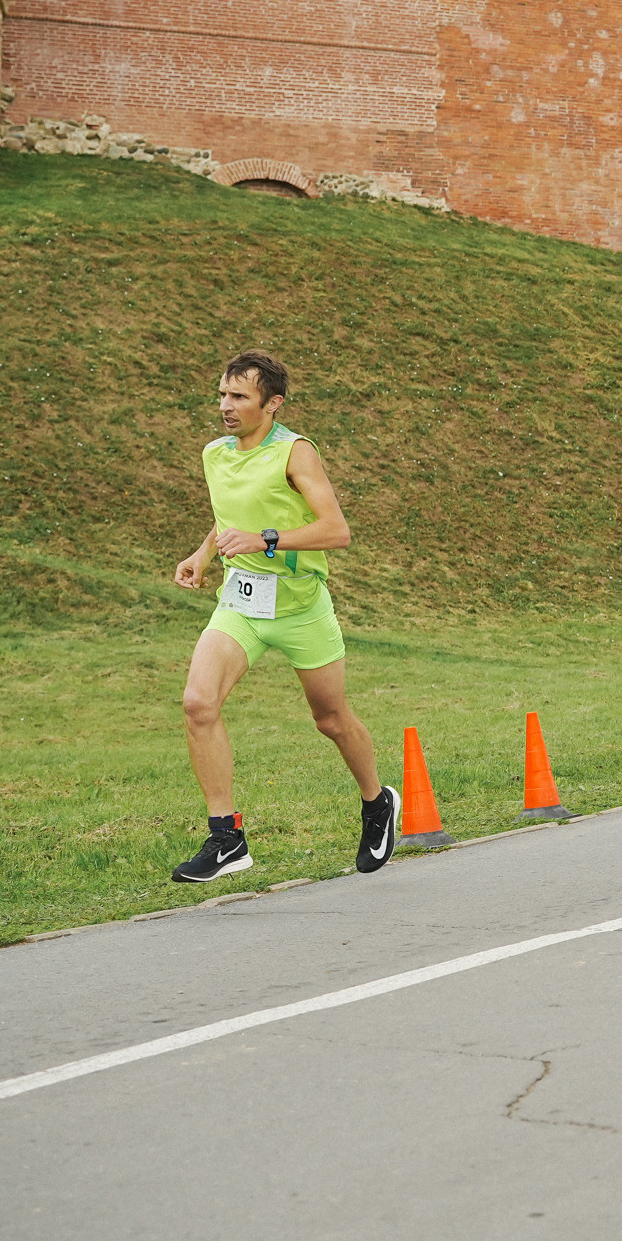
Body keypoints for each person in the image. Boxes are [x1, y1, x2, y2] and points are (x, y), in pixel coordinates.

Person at [172, 351, 393, 884]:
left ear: (272, 404)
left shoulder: (295, 453)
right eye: (222, 394)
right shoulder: (215, 454)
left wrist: (265, 540)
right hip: (241, 604)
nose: (226, 406)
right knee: (198, 704)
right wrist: (204, 553)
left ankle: (377, 802)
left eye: (239, 397)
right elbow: (233, 516)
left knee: (331, 720)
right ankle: (226, 838)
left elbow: (336, 531)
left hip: (299, 606)